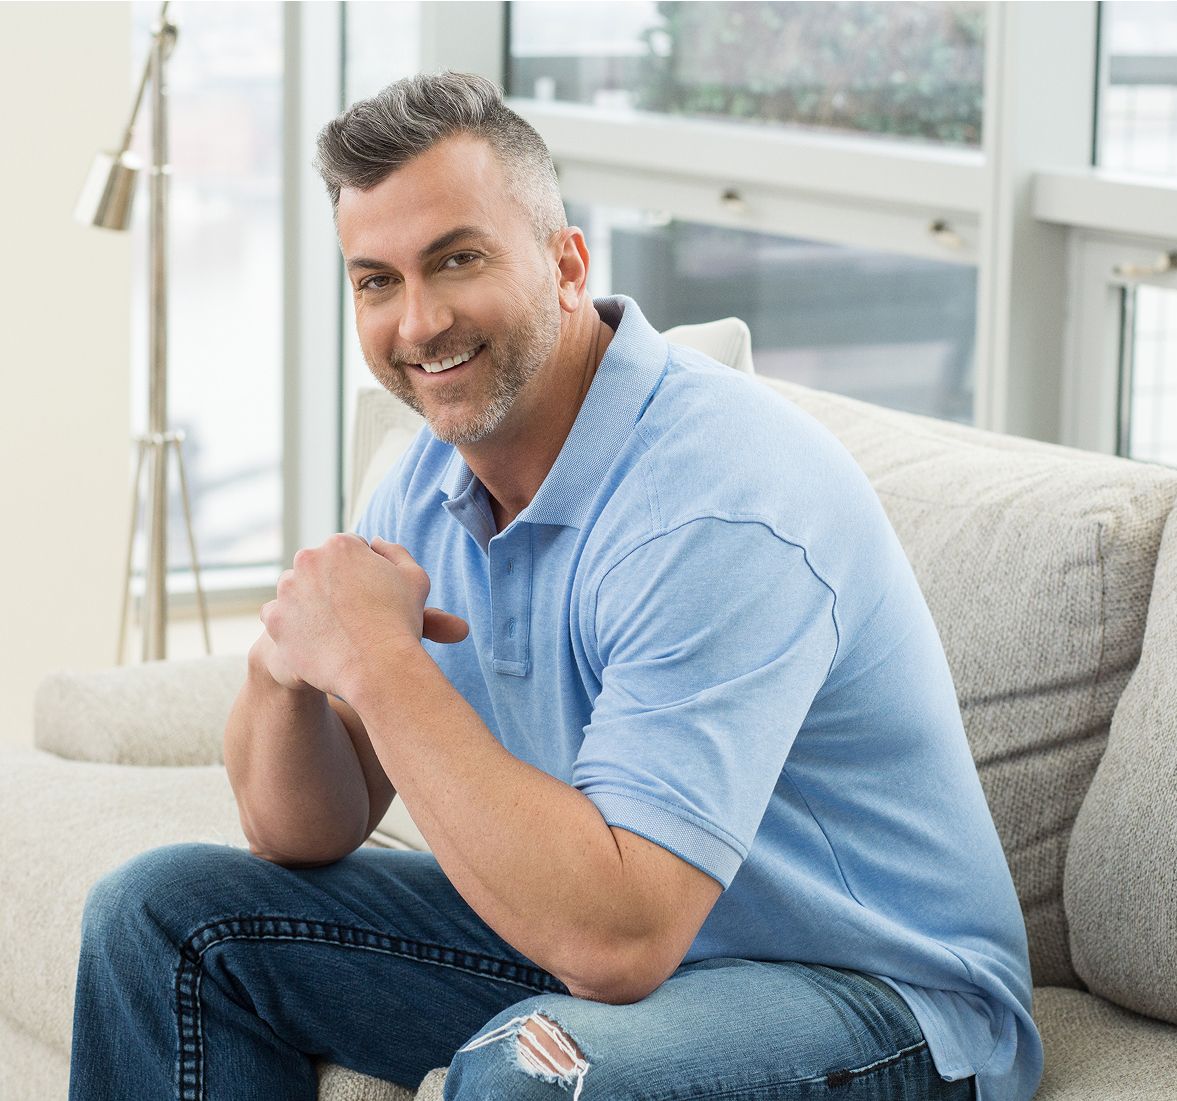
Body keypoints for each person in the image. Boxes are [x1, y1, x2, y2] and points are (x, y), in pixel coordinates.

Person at [69, 73, 1042, 1101]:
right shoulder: (429, 475)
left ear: (565, 264)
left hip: (877, 996)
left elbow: (617, 943)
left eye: (457, 260)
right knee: (162, 919)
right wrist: (284, 663)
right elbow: (300, 830)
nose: (419, 322)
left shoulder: (714, 504)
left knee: (538, 1074)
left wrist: (379, 661)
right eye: (376, 281)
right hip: (623, 946)